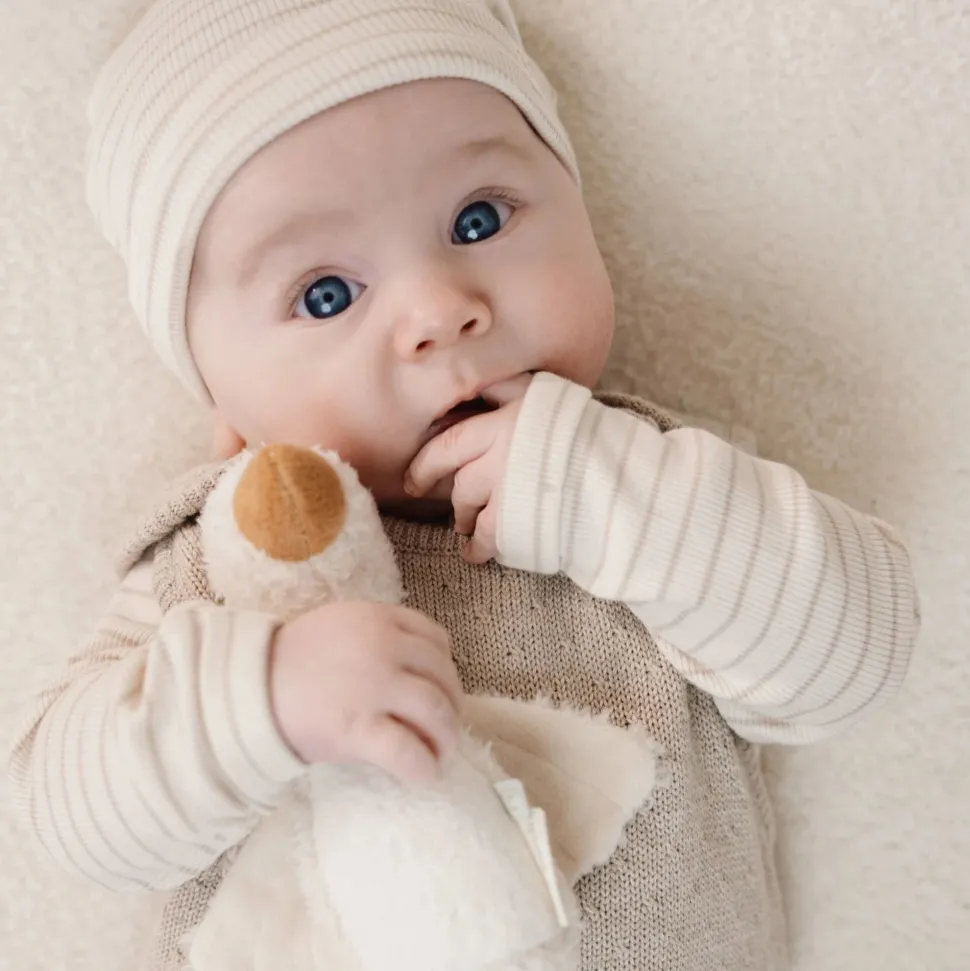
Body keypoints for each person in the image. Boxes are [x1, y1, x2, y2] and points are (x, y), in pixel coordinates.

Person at [8, 1, 920, 969]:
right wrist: (258, 701)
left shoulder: (662, 495)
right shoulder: (212, 573)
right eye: (326, 293)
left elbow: (856, 657)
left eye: (477, 218)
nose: (440, 311)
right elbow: (65, 815)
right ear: (222, 399)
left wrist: (602, 492)